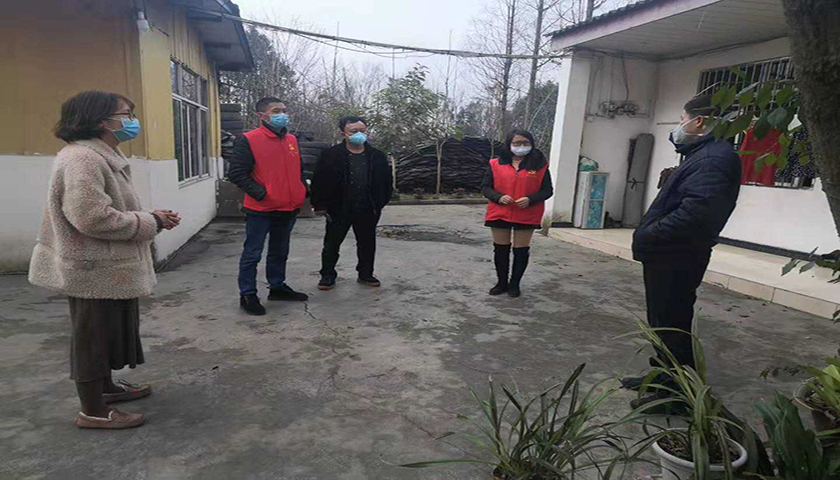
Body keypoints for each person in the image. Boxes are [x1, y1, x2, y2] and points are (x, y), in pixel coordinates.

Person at [29, 91, 181, 429]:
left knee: (109, 332)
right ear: (100, 121)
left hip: (108, 266)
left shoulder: (101, 155)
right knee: (92, 339)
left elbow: (109, 207)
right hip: (92, 268)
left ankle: (107, 389)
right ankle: (93, 411)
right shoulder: (82, 159)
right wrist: (151, 222)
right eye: (125, 115)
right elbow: (92, 217)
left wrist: (151, 216)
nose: (132, 122)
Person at [623, 94, 741, 409]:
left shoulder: (713, 159)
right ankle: (664, 377)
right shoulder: (703, 154)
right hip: (670, 254)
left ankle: (677, 396)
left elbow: (697, 214)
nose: (679, 125)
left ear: (698, 121)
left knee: (672, 324)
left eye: (682, 119)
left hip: (676, 255)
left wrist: (649, 234)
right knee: (663, 321)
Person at [228, 97, 309, 316]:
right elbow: (236, 173)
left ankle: (277, 286)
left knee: (279, 251)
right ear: (261, 115)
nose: (282, 114)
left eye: (284, 110)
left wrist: (302, 189)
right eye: (276, 111)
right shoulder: (248, 139)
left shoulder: (291, 140)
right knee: (252, 253)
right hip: (260, 209)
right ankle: (247, 294)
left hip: (288, 208)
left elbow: (298, 170)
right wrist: (262, 194)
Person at [310, 116, 393, 290]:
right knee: (332, 244)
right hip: (338, 208)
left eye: (362, 130)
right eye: (354, 131)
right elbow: (319, 181)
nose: (359, 134)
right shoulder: (330, 155)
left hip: (367, 207)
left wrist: (379, 203)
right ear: (343, 134)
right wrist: (320, 205)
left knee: (367, 243)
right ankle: (327, 275)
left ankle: (366, 274)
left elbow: (386, 182)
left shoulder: (376, 156)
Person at [481, 129, 553, 298]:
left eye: (526, 143)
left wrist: (530, 199)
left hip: (527, 213)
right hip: (499, 212)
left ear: (532, 144)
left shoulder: (540, 165)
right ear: (509, 144)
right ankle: (501, 283)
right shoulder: (495, 164)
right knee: (501, 249)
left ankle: (514, 284)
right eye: (517, 143)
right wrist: (498, 197)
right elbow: (485, 187)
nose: (521, 146)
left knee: (520, 250)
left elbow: (547, 190)